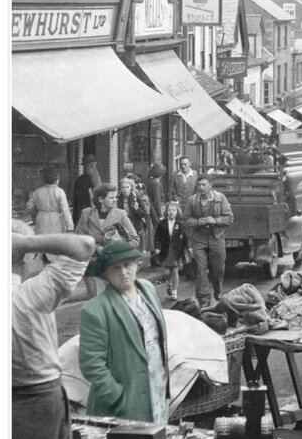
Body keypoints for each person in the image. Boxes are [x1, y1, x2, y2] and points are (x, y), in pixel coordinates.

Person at [12, 224, 95, 439]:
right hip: (36, 401)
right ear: (26, 257)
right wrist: (25, 241)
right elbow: (83, 246)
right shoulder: (31, 295)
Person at [78, 241, 170, 423]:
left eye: (127, 265)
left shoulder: (148, 290)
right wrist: (118, 397)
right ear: (105, 274)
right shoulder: (95, 310)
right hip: (124, 403)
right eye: (115, 268)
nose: (123, 272)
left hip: (157, 389)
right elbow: (91, 364)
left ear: (137, 264)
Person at [75, 183, 139, 298]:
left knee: (115, 302)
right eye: (111, 197)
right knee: (95, 303)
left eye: (116, 197)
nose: (115, 200)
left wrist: (116, 245)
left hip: (115, 266)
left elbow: (135, 240)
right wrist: (97, 248)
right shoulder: (87, 214)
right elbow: (79, 239)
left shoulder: (121, 215)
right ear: (100, 199)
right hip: (93, 266)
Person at [182, 174, 233, 309]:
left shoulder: (220, 198)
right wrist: (198, 221)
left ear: (210, 185)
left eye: (204, 185)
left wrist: (215, 220)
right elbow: (185, 219)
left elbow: (229, 218)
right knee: (200, 268)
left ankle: (218, 288)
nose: (201, 187)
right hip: (198, 239)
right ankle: (204, 299)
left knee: (217, 268)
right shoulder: (192, 200)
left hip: (216, 237)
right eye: (199, 185)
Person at [153, 200, 190, 301]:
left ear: (177, 212)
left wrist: (189, 247)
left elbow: (186, 237)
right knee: (166, 272)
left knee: (175, 271)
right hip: (165, 251)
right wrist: (157, 247)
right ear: (166, 212)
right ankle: (168, 283)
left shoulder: (180, 224)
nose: (171, 212)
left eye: (173, 210)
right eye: (169, 210)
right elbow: (157, 237)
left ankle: (174, 291)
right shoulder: (161, 224)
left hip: (176, 251)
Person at [25, 166, 73, 241]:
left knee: (40, 242)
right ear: (56, 180)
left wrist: (34, 213)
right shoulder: (59, 192)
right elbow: (65, 210)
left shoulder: (38, 191)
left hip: (41, 218)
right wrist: (70, 227)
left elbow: (28, 206)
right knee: (53, 243)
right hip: (54, 219)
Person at [118, 175, 152, 255]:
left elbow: (144, 213)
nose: (125, 190)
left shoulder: (135, 197)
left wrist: (137, 209)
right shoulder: (118, 198)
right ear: (120, 188)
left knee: (135, 245)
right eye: (123, 188)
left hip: (135, 224)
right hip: (122, 225)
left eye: (127, 187)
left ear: (131, 187)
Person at [71, 154, 100, 225]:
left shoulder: (78, 179)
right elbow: (97, 195)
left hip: (79, 214)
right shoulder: (94, 178)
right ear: (93, 165)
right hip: (89, 214)